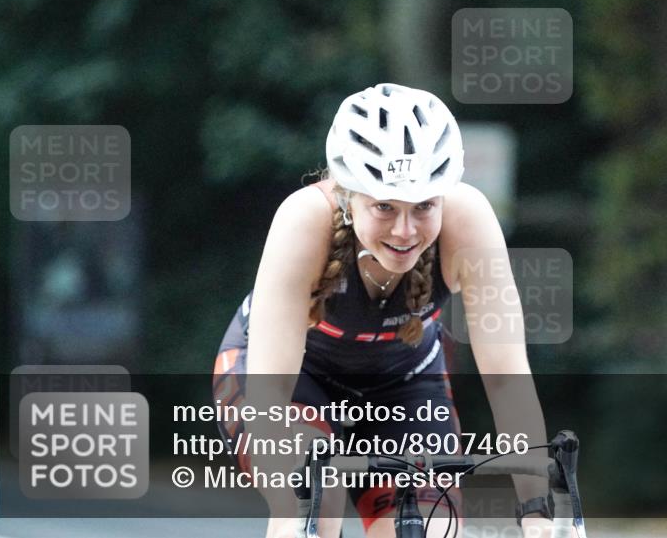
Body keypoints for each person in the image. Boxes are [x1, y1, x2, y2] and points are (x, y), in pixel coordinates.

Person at [213, 84, 557, 538]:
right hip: (290, 381)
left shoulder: (469, 220)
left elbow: (506, 377)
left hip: (403, 384)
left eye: (424, 206)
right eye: (384, 206)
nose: (405, 230)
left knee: (431, 528)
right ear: (348, 196)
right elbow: (270, 392)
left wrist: (538, 511)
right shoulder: (303, 220)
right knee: (313, 499)